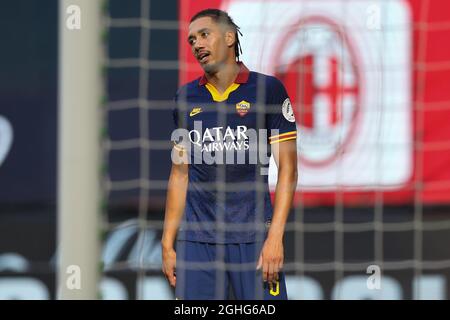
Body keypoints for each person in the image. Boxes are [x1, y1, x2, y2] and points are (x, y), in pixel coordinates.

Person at [161, 8, 298, 300]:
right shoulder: (185, 98)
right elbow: (179, 173)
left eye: (204, 35)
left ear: (229, 37)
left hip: (254, 239)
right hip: (198, 242)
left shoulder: (268, 90)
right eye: (191, 40)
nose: (197, 44)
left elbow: (288, 169)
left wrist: (275, 237)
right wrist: (167, 243)